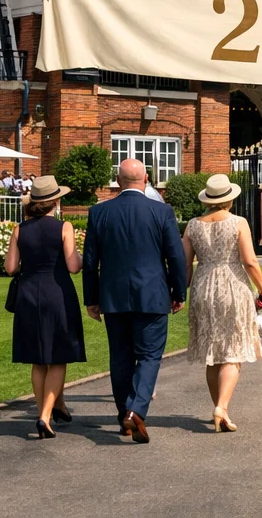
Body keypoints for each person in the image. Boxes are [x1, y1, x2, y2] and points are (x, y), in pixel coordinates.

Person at [82, 159, 186, 443]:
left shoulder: (99, 212)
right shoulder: (161, 211)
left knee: (121, 358)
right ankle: (135, 410)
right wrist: (179, 292)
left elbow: (91, 261)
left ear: (117, 181)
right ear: (147, 179)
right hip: (152, 294)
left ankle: (125, 413)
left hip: (113, 296)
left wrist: (91, 298)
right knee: (150, 355)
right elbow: (175, 256)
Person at [181, 174, 262, 433]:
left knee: (212, 353)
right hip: (232, 285)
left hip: (203, 284)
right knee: (232, 349)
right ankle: (221, 406)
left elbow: (185, 263)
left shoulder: (193, 225)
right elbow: (249, 261)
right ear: (229, 200)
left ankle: (221, 408)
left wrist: (182, 290)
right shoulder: (238, 222)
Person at [4, 174, 85, 439]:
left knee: (38, 361)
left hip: (28, 293)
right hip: (57, 292)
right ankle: (44, 416)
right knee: (58, 358)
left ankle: (46, 411)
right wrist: (85, 257)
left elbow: (10, 268)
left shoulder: (19, 229)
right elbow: (73, 266)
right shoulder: (65, 227)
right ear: (56, 201)